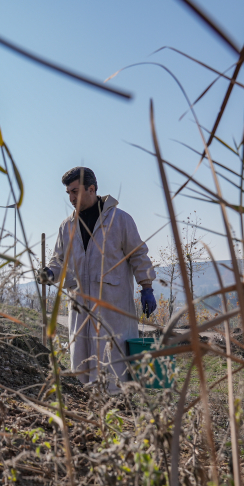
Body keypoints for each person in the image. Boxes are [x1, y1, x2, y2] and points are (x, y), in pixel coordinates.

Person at [37, 167, 156, 391]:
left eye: (75, 192)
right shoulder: (67, 226)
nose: (71, 198)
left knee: (114, 364)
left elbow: (138, 255)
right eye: (68, 194)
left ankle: (118, 410)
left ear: (91, 189)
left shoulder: (119, 220)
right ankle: (87, 411)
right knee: (81, 363)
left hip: (114, 306)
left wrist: (146, 287)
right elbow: (59, 261)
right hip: (80, 307)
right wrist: (50, 273)